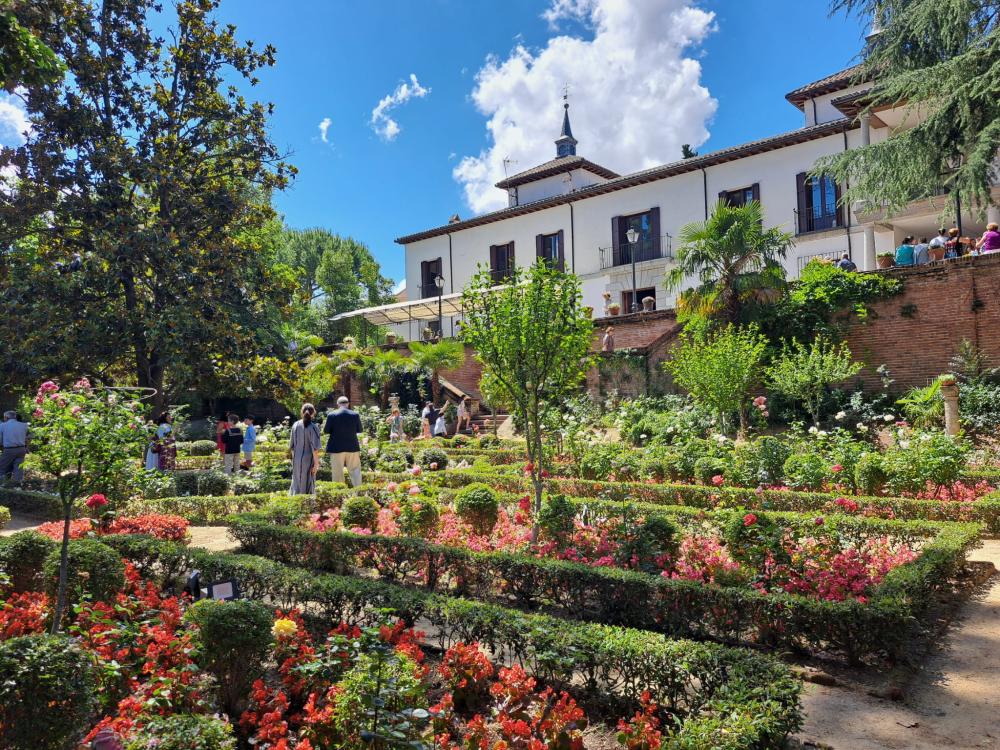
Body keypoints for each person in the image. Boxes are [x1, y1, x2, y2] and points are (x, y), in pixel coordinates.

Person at [324, 396, 364, 487]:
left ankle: (340, 493)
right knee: (355, 471)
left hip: (336, 447)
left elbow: (326, 431)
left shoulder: (332, 415)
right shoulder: (355, 415)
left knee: (337, 472)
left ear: (337, 404)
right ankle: (358, 492)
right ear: (348, 404)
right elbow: (360, 430)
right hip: (352, 446)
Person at [289, 403, 322, 496]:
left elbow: (291, 446)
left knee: (296, 482)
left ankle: (294, 501)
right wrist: (316, 464)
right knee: (308, 482)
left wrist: (294, 459)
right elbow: (315, 448)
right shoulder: (313, 427)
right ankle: (306, 504)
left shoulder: (295, 425)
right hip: (308, 460)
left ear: (302, 412)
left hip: (296, 458)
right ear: (313, 413)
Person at [0, 411, 29, 484]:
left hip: (9, 450)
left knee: (2, 468)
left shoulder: (3, 425)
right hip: (21, 449)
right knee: (19, 469)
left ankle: (3, 485)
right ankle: (17, 486)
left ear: (6, 417)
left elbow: (0, 440)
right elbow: (26, 438)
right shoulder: (24, 425)